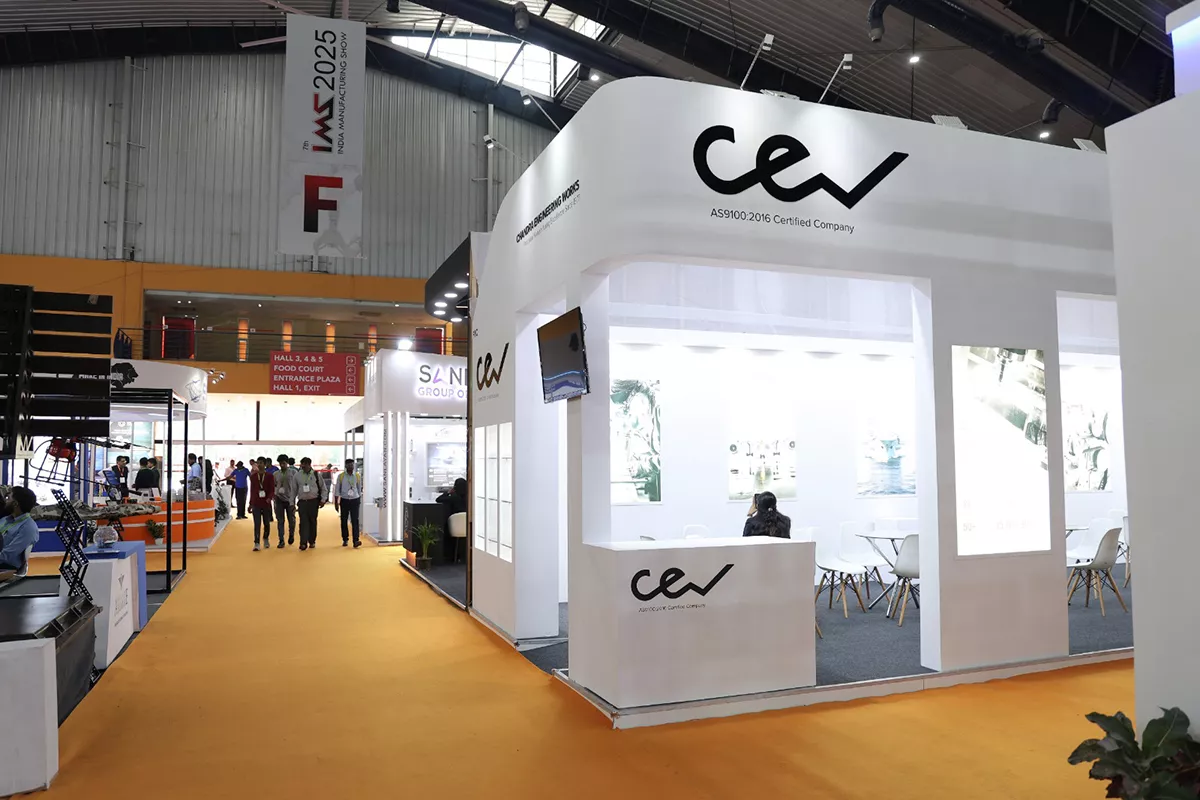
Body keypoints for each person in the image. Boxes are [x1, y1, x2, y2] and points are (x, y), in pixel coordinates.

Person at [0, 486, 39, 572]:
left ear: (15, 504)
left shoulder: (28, 528)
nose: (5, 501)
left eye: (8, 498)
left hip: (6, 566)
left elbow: (8, 555)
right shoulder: (5, 520)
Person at [295, 457, 327, 551]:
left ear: (309, 464)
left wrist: (323, 499)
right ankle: (303, 543)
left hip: (313, 502)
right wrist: (291, 502)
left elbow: (323, 488)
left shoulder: (316, 475)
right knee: (303, 522)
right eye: (302, 464)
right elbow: (293, 490)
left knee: (312, 522)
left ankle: (312, 541)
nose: (303, 466)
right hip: (302, 502)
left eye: (305, 464)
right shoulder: (297, 476)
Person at [333, 458, 363, 548]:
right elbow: (337, 490)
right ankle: (345, 539)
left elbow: (359, 488)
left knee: (355, 520)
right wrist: (336, 503)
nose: (350, 466)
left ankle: (356, 540)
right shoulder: (341, 476)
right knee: (344, 520)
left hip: (354, 500)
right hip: (345, 500)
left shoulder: (357, 476)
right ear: (346, 466)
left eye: (352, 465)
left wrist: (358, 498)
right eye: (349, 465)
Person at [248, 456, 276, 551]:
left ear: (265, 464)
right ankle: (256, 542)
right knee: (257, 523)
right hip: (256, 503)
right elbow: (252, 490)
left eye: (261, 463)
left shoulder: (269, 476)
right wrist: (250, 503)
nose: (259, 465)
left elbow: (272, 489)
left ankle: (266, 538)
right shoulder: (253, 477)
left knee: (266, 523)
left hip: (266, 503)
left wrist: (269, 498)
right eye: (258, 463)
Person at [273, 453, 299, 546]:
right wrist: (274, 495)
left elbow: (297, 485)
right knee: (280, 520)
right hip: (279, 499)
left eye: (283, 463)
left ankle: (291, 535)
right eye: (280, 463)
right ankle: (281, 540)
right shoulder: (276, 474)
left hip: (290, 499)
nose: (282, 465)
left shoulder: (293, 472)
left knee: (291, 520)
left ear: (287, 463)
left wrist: (296, 496)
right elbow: (274, 485)